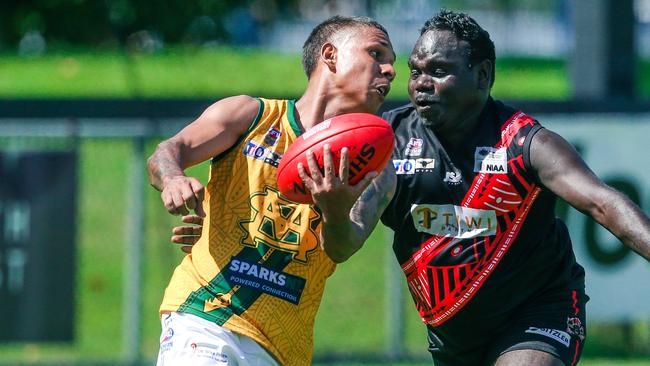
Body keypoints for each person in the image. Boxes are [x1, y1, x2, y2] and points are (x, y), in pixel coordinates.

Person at [379, 9, 650, 366]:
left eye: (440, 71)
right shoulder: (389, 139)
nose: (421, 83)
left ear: (482, 76)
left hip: (540, 312)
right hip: (453, 333)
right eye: (416, 72)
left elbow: (603, 203)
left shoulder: (524, 143)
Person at [147, 15, 396, 366]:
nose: (389, 70)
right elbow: (167, 152)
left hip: (281, 347)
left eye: (391, 62)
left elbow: (342, 248)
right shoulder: (251, 117)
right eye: (377, 53)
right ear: (330, 55)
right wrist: (173, 179)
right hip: (205, 315)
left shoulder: (377, 171)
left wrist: (335, 211)